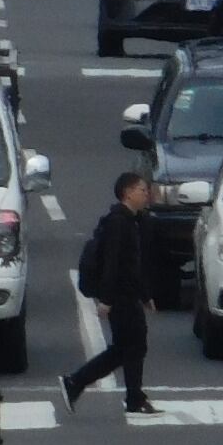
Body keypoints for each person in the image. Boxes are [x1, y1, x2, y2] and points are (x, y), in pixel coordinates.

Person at [60, 172, 157, 416]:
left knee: (127, 348)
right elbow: (112, 262)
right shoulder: (118, 222)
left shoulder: (134, 220)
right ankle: (128, 396)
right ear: (128, 192)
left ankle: (78, 383)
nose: (146, 195)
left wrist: (145, 295)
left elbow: (136, 264)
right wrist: (106, 300)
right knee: (131, 346)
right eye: (142, 190)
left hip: (129, 294)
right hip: (120, 296)